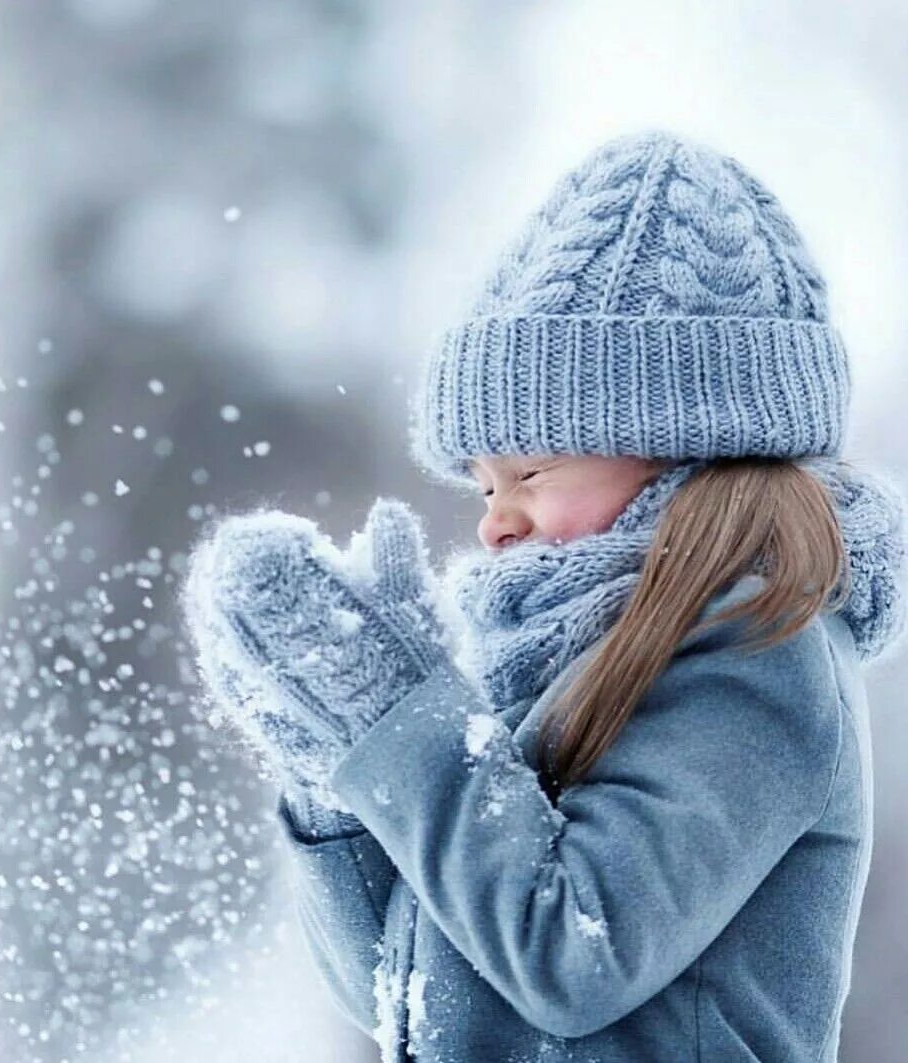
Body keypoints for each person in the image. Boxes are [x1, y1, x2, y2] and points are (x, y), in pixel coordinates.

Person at [180, 128, 907, 1062]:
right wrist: (338, 770)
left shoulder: (760, 657)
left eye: (532, 469)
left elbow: (573, 955)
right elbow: (403, 996)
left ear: (682, 442)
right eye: (485, 485)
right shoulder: (559, 665)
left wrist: (404, 722)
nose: (496, 521)